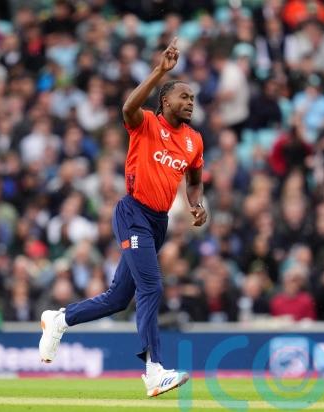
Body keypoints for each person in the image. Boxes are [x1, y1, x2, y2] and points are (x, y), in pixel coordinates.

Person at [38, 38, 207, 397]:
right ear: (165, 101)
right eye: (184, 97)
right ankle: (154, 370)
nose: (190, 102)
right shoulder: (145, 123)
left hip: (158, 222)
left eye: (193, 98)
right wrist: (160, 71)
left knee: (118, 298)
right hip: (133, 212)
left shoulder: (194, 140)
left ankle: (60, 319)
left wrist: (196, 203)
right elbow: (128, 107)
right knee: (152, 286)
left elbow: (194, 180)